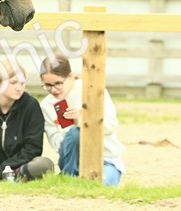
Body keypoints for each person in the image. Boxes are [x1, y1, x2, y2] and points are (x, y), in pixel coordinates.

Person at [38, 56, 125, 186]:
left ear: (71, 76)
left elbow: (110, 125)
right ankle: (69, 179)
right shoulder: (47, 105)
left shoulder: (92, 91)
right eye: (48, 85)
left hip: (104, 159)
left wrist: (81, 121)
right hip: (71, 161)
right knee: (74, 133)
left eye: (58, 83)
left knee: (98, 185)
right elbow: (57, 144)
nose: (53, 90)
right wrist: (68, 127)